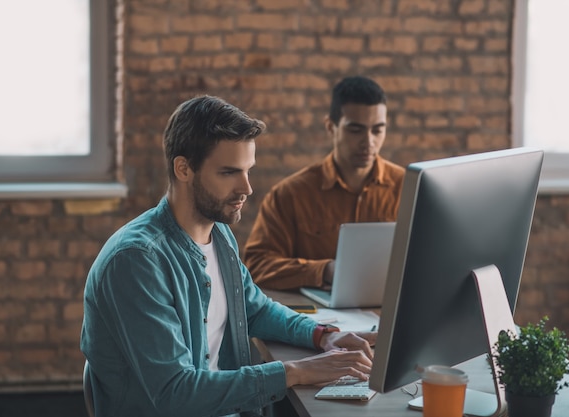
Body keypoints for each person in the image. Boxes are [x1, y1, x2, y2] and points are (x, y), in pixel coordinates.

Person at [80, 95, 376, 417]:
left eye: (248, 170)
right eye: (229, 173)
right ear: (184, 169)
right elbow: (175, 392)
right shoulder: (136, 261)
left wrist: (322, 336)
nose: (247, 188)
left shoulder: (218, 233)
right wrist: (297, 372)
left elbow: (253, 307)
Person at [243, 76, 406, 290]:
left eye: (377, 130)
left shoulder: (408, 188)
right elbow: (256, 265)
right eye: (355, 130)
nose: (369, 142)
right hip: (318, 317)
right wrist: (325, 271)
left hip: (388, 313)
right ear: (331, 127)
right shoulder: (290, 194)